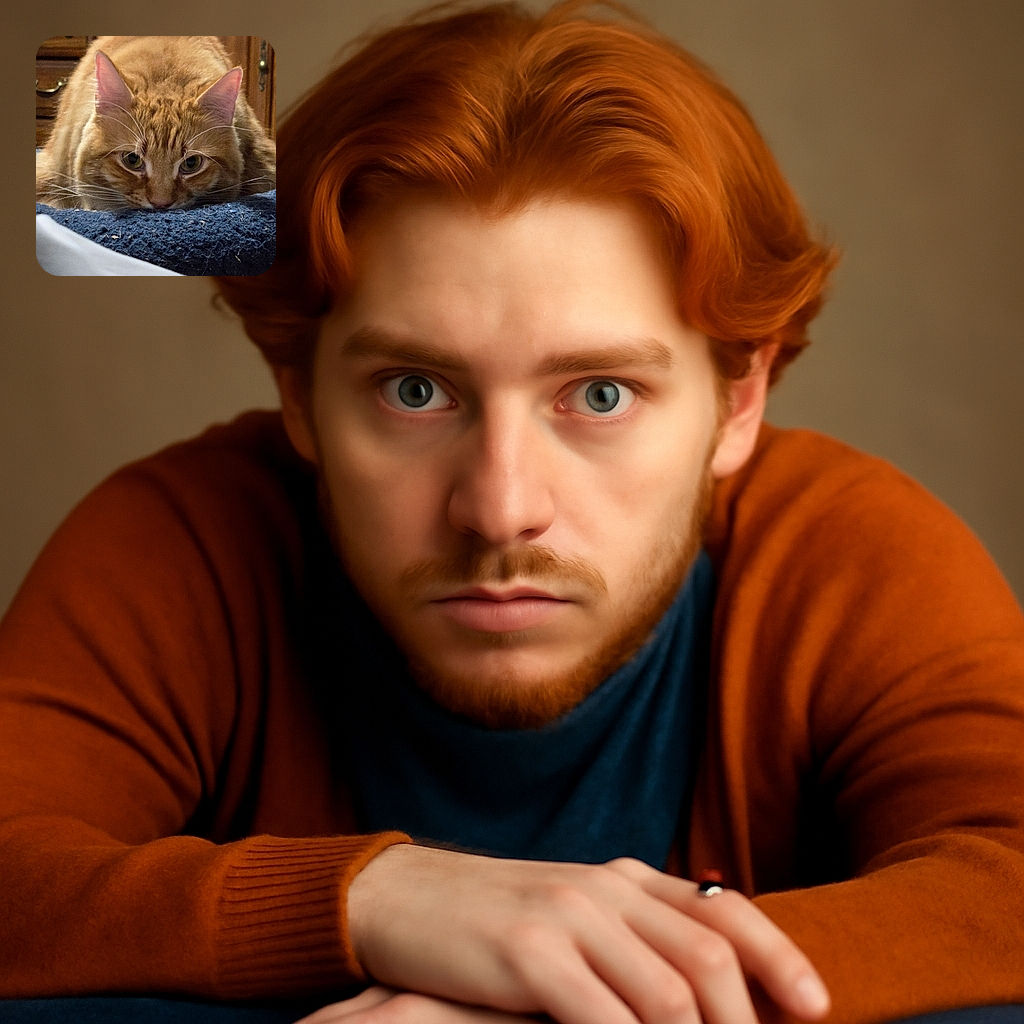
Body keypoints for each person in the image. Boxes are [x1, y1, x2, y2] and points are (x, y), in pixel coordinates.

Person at [2, 3, 1023, 1023]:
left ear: (738, 401)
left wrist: (553, 1000)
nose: (499, 510)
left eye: (600, 395)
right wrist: (370, 899)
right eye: (414, 391)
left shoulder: (846, 558)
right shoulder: (188, 541)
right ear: (300, 396)